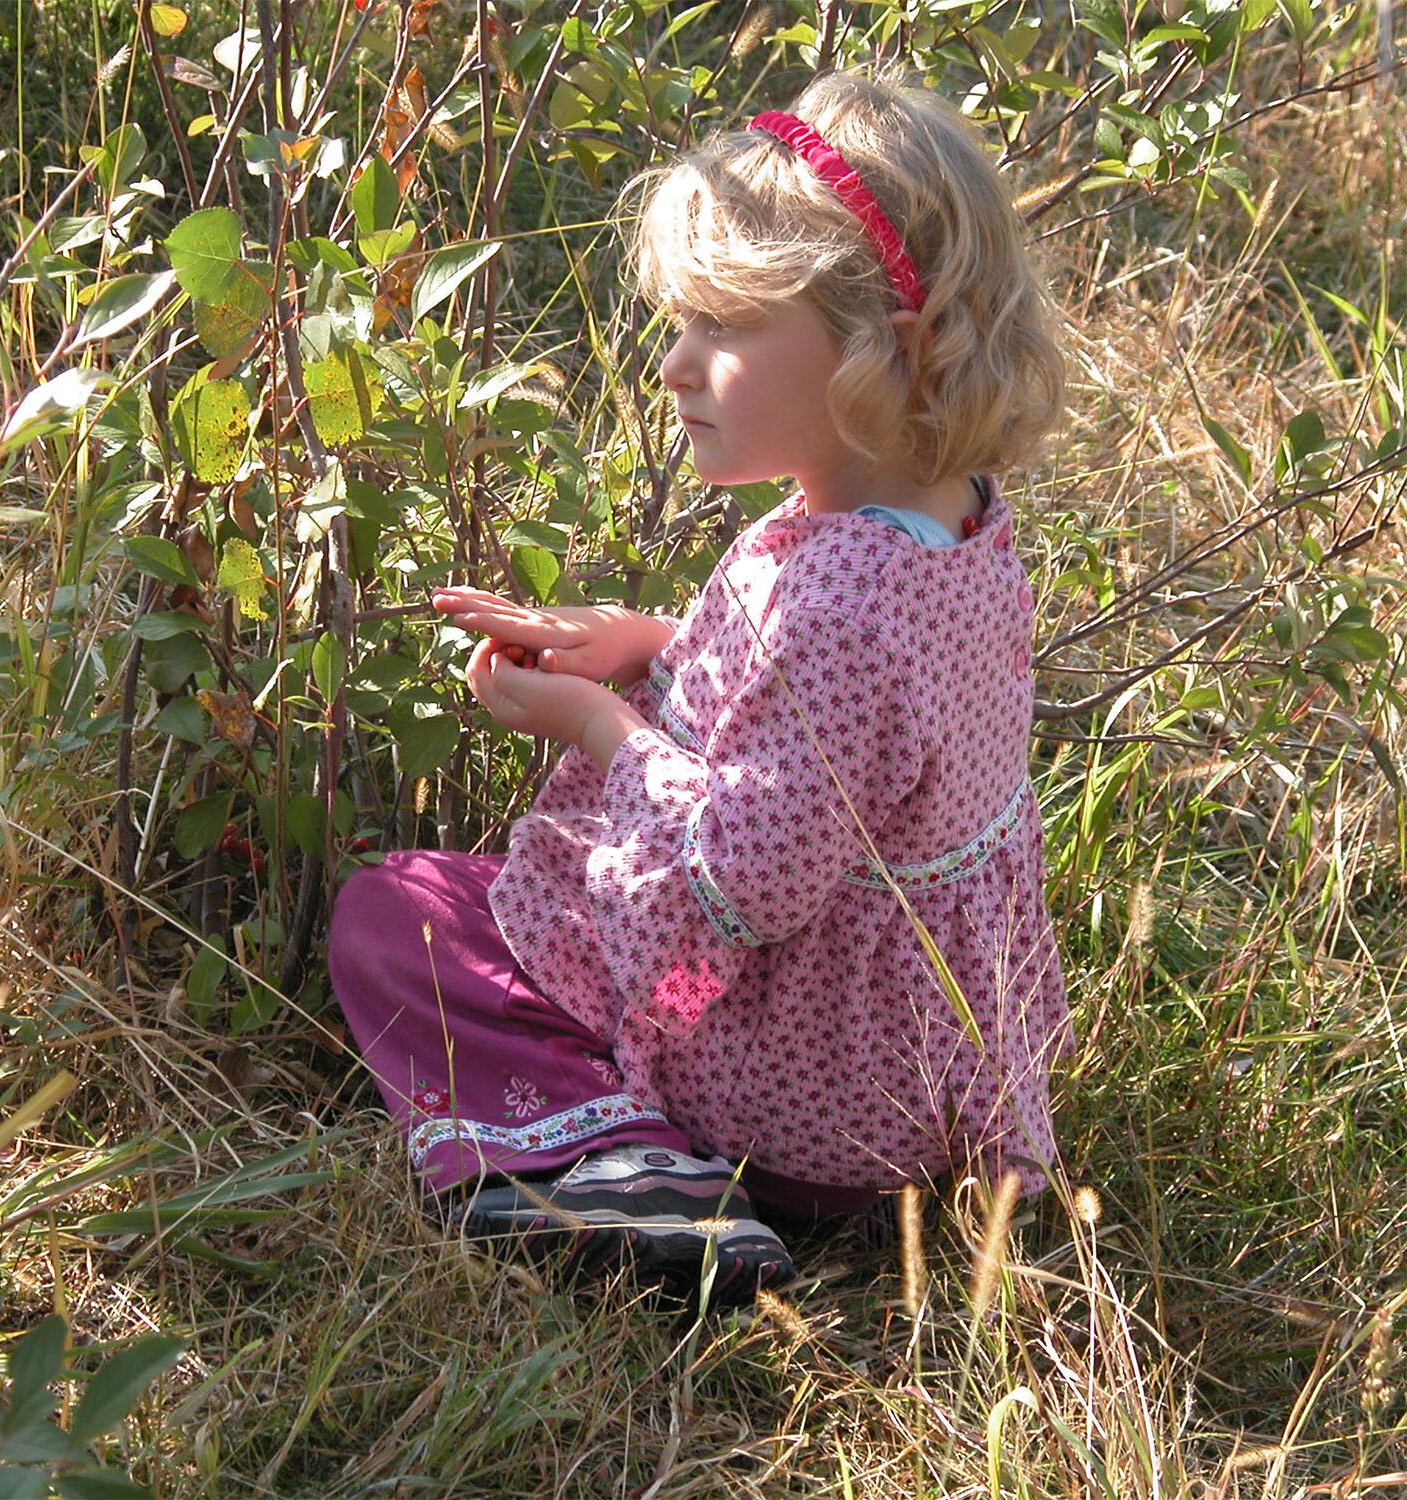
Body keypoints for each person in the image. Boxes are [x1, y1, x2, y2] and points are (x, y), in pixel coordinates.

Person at [326, 65, 1069, 1304]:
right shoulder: (952, 529)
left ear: (883, 349)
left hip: (790, 1083)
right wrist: (643, 641)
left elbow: (751, 879)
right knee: (468, 904)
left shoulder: (824, 594)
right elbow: (856, 732)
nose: (674, 365)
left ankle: (630, 1168)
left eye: (721, 327)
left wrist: (601, 726)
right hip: (922, 1060)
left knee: (399, 913)